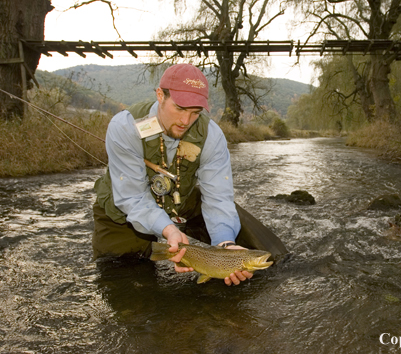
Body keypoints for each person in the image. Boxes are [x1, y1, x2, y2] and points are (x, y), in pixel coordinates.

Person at [92, 63, 287, 286]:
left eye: (195, 112)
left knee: (259, 245)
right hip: (123, 208)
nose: (186, 121)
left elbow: (217, 198)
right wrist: (168, 230)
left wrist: (225, 244)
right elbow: (132, 198)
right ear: (160, 95)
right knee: (123, 281)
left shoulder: (212, 136)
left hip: (179, 200)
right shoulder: (125, 127)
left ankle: (277, 268)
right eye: (179, 108)